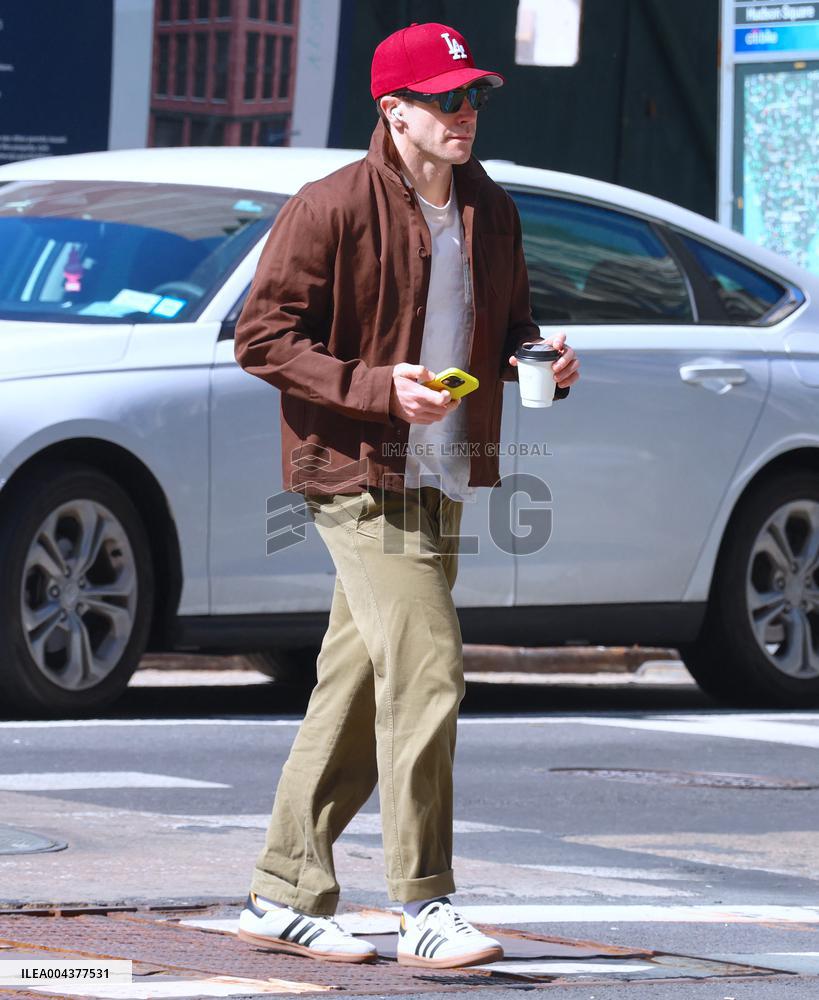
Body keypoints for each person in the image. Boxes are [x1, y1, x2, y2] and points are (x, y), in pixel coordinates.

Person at [233, 21, 580, 969]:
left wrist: (535, 358)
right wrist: (376, 388)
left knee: (354, 685)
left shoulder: (490, 209)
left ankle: (280, 892)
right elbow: (261, 337)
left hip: (444, 470)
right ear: (394, 112)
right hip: (353, 472)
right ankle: (424, 903)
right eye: (445, 99)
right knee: (428, 668)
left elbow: (508, 325)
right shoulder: (329, 207)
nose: (465, 114)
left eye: (472, 97)